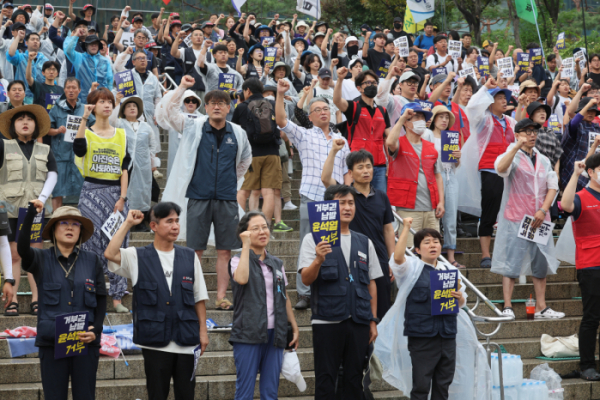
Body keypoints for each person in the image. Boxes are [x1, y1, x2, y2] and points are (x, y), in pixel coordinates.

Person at [161, 76, 252, 311]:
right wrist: (181, 87)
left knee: (225, 250)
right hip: (198, 196)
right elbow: (168, 113)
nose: (217, 106)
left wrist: (230, 181)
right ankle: (193, 294)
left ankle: (221, 296)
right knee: (195, 250)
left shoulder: (238, 133)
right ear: (206, 106)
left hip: (226, 198)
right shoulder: (194, 125)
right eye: (212, 103)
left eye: (221, 103)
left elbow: (244, 161)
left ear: (228, 107)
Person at [104, 203, 209, 400]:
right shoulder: (137, 256)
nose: (175, 226)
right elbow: (110, 253)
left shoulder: (189, 256)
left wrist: (203, 331)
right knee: (157, 395)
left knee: (187, 395)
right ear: (154, 226)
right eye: (169, 221)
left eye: (177, 221)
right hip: (154, 342)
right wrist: (127, 223)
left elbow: (199, 297)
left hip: (186, 340)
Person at [374, 218, 486, 400]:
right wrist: (406, 229)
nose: (433, 245)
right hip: (422, 336)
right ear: (417, 250)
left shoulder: (450, 270)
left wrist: (460, 298)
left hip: (447, 335)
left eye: (436, 242)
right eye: (427, 242)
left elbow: (462, 301)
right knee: (421, 385)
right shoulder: (411, 268)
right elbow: (397, 258)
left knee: (443, 384)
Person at [275, 79, 352, 309]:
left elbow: (347, 171)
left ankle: (336, 284)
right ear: (310, 116)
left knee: (338, 243)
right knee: (308, 243)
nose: (322, 112)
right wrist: (280, 94)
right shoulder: (304, 134)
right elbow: (280, 120)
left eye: (326, 109)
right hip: (311, 196)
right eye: (317, 110)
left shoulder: (342, 140)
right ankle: (305, 292)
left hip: (336, 200)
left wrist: (348, 194)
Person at [298, 184, 380, 399]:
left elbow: (371, 283)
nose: (347, 207)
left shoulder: (364, 241)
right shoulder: (313, 239)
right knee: (326, 380)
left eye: (350, 203)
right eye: (341, 202)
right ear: (328, 207)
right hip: (327, 321)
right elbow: (305, 279)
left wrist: (372, 320)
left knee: (355, 380)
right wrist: (318, 259)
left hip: (359, 321)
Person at [18, 200, 105, 399]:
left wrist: (96, 330)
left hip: (85, 342)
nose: (69, 227)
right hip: (52, 342)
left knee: (85, 395)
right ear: (53, 229)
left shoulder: (92, 260)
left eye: (75, 224)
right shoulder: (40, 258)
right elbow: (22, 249)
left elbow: (101, 298)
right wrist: (32, 214)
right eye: (63, 223)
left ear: (80, 231)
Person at [491, 118, 563, 319]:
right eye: (527, 131)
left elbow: (552, 186)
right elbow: (500, 169)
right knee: (511, 262)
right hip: (516, 217)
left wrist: (543, 209)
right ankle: (507, 306)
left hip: (540, 217)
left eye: (535, 132)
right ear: (517, 134)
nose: (532, 135)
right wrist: (515, 147)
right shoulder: (511, 155)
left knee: (540, 263)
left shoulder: (544, 159)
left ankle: (541, 306)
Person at [229, 211, 299, 399]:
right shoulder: (237, 260)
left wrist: (293, 325)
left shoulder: (277, 263)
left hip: (274, 334)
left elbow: (284, 296)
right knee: (244, 391)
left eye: (265, 227)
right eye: (255, 228)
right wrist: (245, 246)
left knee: (270, 391)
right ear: (245, 233)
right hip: (247, 333)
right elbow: (242, 279)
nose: (262, 231)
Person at [73, 89, 130, 313]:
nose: (106, 105)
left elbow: (125, 169)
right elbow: (78, 149)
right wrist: (84, 118)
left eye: (109, 101)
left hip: (116, 194)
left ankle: (117, 297)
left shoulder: (121, 134)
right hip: (90, 191)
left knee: (118, 244)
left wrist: (123, 198)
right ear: (93, 106)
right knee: (88, 243)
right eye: (101, 102)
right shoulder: (85, 132)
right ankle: (91, 294)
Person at [321, 147, 395, 318]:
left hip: (380, 258)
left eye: (368, 166)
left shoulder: (382, 197)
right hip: (352, 258)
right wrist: (333, 151)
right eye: (360, 167)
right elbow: (325, 178)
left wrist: (392, 259)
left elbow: (388, 229)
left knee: (383, 309)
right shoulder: (345, 197)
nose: (366, 171)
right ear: (351, 172)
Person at [0, 104, 57, 317]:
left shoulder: (45, 149)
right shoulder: (3, 146)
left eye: (29, 119)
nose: (25, 122)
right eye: (20, 119)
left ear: (36, 125)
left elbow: (52, 175)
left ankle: (37, 299)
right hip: (9, 209)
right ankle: (11, 299)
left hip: (37, 210)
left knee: (35, 253)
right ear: (13, 126)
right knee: (14, 255)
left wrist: (42, 199)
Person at [457, 78, 516, 268]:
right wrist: (485, 88)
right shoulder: (482, 120)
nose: (504, 101)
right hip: (489, 169)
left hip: (509, 173)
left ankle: (506, 252)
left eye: (505, 98)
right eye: (499, 98)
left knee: (508, 213)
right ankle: (485, 255)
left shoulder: (510, 122)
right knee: (490, 211)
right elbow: (472, 106)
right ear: (490, 102)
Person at [561, 154, 600, 380]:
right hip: (591, 266)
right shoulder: (581, 197)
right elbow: (565, 205)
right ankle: (587, 366)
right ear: (591, 172)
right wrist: (575, 174)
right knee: (592, 317)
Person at [386, 103, 445, 248]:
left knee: (433, 249)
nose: (421, 121)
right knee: (410, 250)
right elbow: (389, 142)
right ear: (406, 122)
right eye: (416, 117)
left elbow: (438, 175)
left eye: (423, 118)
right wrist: (402, 119)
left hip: (431, 208)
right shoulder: (399, 144)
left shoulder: (431, 147)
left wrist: (441, 202)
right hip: (408, 209)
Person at [232, 78, 286, 231]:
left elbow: (235, 131)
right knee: (268, 192)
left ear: (247, 91)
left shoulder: (241, 107)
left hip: (250, 154)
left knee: (243, 191)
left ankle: (241, 226)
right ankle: (266, 226)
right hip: (272, 153)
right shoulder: (272, 104)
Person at [334, 67, 391, 193]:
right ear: (359, 88)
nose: (372, 85)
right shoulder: (353, 107)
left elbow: (388, 139)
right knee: (358, 201)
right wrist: (340, 80)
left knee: (379, 202)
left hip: (379, 165)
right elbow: (337, 101)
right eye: (368, 83)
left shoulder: (382, 111)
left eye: (374, 83)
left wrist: (390, 163)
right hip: (358, 164)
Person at [422, 106, 463, 268]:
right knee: (433, 217)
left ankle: (451, 256)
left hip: (450, 177)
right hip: (432, 179)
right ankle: (433, 255)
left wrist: (458, 157)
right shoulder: (427, 135)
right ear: (434, 119)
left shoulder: (451, 137)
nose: (444, 120)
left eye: (447, 117)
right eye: (441, 117)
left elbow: (456, 165)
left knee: (451, 217)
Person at [110, 95, 158, 232]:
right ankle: (124, 220)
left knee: (142, 192)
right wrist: (117, 102)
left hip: (143, 166)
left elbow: (152, 146)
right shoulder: (119, 123)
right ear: (123, 111)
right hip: (125, 164)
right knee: (125, 191)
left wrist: (152, 162)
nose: (132, 108)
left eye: (134, 106)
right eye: (128, 106)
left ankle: (140, 221)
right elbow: (110, 120)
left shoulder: (146, 127)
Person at [47, 77, 94, 210]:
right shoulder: (55, 109)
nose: (71, 90)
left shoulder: (85, 109)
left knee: (83, 191)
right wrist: (57, 130)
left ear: (79, 90)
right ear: (64, 90)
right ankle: (56, 220)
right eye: (68, 87)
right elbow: (47, 130)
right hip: (60, 156)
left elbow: (95, 128)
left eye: (74, 88)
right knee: (58, 191)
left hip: (80, 156)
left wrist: (88, 130)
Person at [114, 47, 162, 154]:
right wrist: (126, 52)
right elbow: (117, 66)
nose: (143, 60)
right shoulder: (127, 75)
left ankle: (153, 168)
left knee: (152, 142)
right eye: (139, 58)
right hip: (131, 115)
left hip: (149, 116)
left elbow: (158, 97)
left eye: (144, 58)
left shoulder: (153, 78)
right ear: (133, 62)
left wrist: (157, 114)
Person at [196, 41, 244, 121]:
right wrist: (205, 48)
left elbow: (242, 90)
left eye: (225, 52)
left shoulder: (235, 74)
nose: (223, 54)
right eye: (220, 53)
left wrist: (237, 91)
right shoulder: (211, 69)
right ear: (214, 55)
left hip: (230, 109)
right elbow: (200, 63)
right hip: (213, 106)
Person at [560, 97, 600, 191]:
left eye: (593, 111)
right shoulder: (577, 125)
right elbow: (574, 122)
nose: (590, 113)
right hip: (575, 169)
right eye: (588, 110)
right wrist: (589, 104)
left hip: (593, 171)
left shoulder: (597, 129)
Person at [64, 30, 113, 103]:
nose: (94, 45)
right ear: (86, 46)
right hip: (83, 100)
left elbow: (109, 80)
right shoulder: (79, 58)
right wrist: (76, 36)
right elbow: (68, 51)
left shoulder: (105, 61)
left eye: (96, 44)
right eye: (91, 44)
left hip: (102, 99)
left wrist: (109, 97)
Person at [7, 30, 49, 103]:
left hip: (41, 97)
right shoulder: (20, 57)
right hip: (23, 98)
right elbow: (11, 54)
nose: (35, 41)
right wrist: (18, 37)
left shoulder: (45, 60)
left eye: (37, 40)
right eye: (32, 39)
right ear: (26, 43)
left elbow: (50, 80)